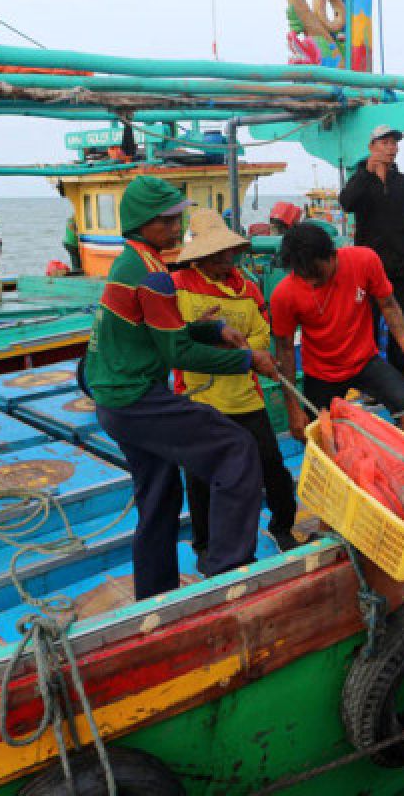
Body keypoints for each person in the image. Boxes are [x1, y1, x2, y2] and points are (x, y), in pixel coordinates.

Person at [83, 175, 281, 600]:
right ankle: (227, 571)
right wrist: (248, 359)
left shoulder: (132, 262)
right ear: (145, 222)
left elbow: (167, 333)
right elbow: (178, 354)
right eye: (170, 221)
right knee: (236, 448)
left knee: (159, 495)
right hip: (136, 398)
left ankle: (155, 596)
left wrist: (215, 329)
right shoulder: (152, 274)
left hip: (114, 401)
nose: (177, 229)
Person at [171, 208, 299, 554]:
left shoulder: (249, 289)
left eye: (227, 253)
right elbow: (175, 342)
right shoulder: (177, 288)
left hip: (246, 396)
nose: (225, 261)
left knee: (273, 467)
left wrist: (238, 346)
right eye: (217, 255)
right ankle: (204, 545)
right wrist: (219, 340)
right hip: (199, 399)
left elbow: (261, 334)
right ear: (201, 256)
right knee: (200, 476)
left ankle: (282, 526)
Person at [269, 222, 404, 444]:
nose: (313, 281)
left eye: (318, 272)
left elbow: (389, 305)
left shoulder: (364, 260)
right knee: (315, 435)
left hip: (365, 361)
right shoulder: (284, 295)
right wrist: (293, 407)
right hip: (321, 373)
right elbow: (285, 350)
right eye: (305, 275)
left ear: (332, 255)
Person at [338, 125, 404, 376]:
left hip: (399, 270)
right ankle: (372, 383)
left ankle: (400, 378)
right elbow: (346, 203)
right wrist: (367, 171)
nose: (391, 148)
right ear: (371, 147)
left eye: (394, 143)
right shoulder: (361, 182)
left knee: (402, 327)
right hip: (367, 272)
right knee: (368, 328)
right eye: (384, 143)